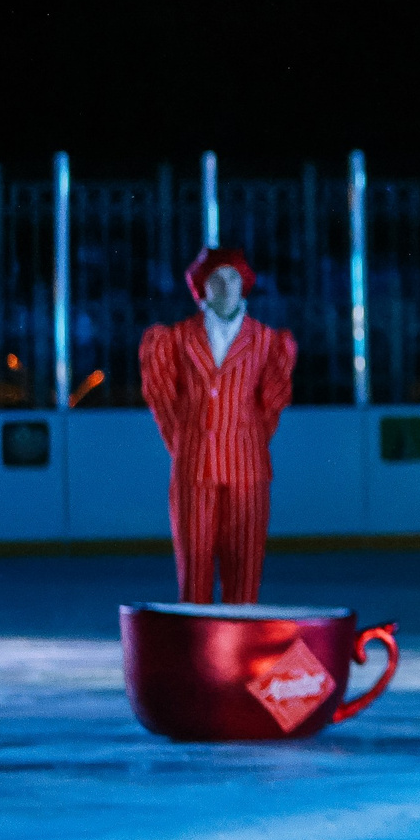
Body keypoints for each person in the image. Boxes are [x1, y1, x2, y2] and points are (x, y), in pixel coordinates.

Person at [138, 247, 297, 604]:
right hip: (193, 467)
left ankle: (238, 653)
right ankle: (198, 654)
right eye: (216, 279)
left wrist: (244, 439)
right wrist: (187, 443)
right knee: (193, 570)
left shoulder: (268, 342)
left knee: (245, 571)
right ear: (201, 287)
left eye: (233, 278)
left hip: (248, 469)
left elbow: (271, 405)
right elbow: (162, 399)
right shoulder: (175, 339)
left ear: (245, 285)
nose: (226, 286)